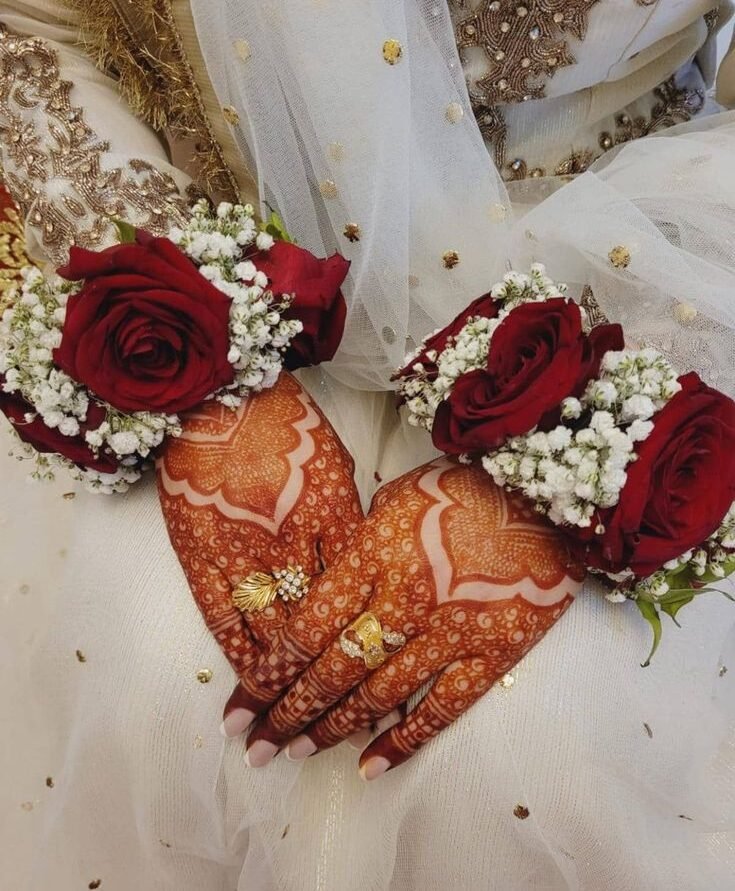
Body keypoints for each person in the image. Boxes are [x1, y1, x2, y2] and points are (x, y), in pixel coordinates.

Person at [1, 2, 734, 889]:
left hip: (642, 275)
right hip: (236, 251)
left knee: (530, 758)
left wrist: (589, 432)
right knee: (150, 673)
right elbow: (39, 23)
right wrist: (196, 340)